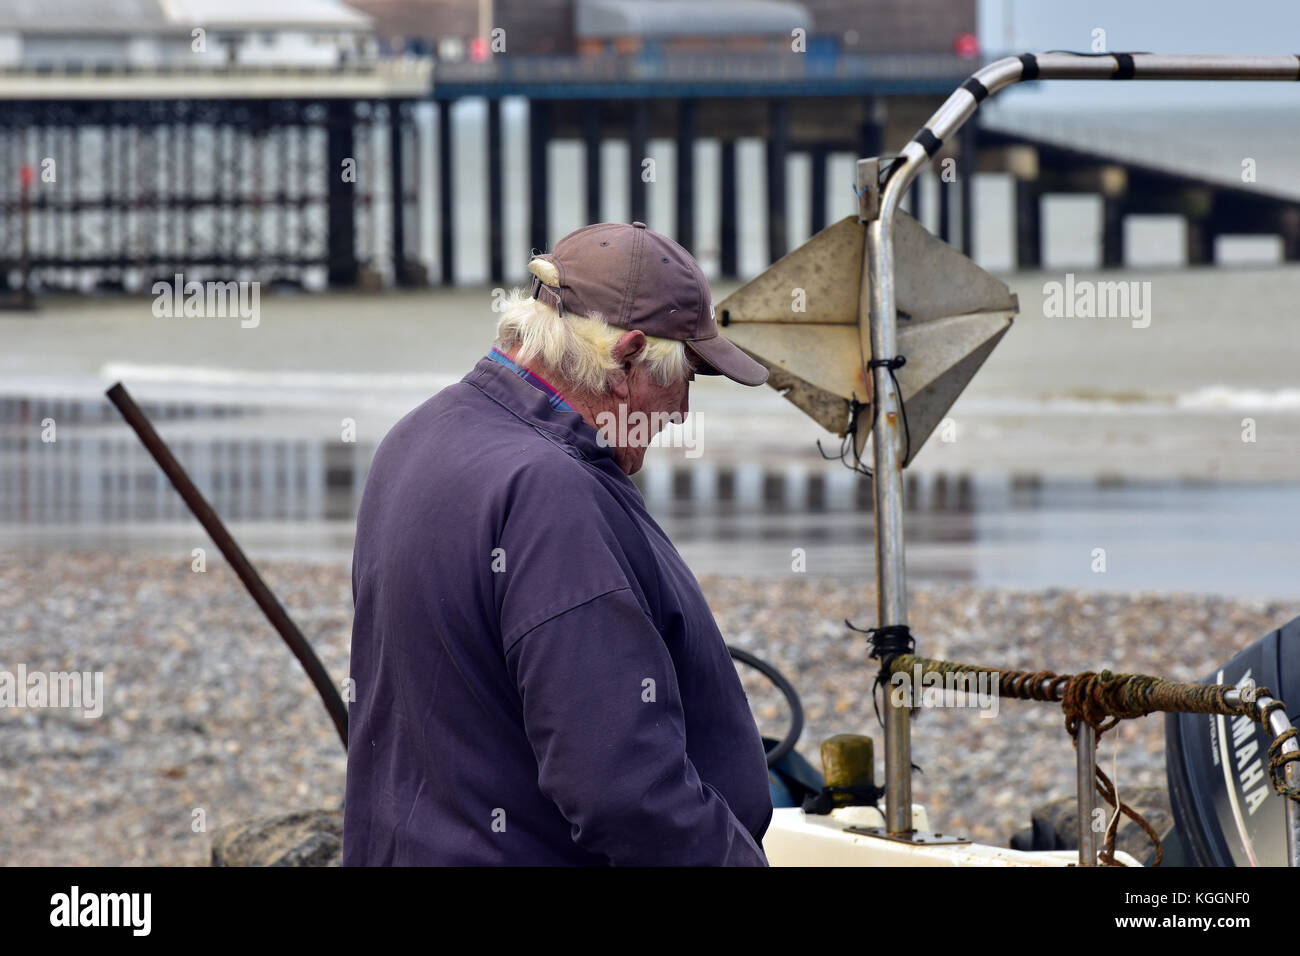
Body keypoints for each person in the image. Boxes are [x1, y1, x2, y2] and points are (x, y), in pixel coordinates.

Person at [343, 220, 774, 865]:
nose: (683, 410)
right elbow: (623, 791)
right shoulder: (550, 492)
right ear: (626, 360)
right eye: (685, 373)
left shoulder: (416, 437)